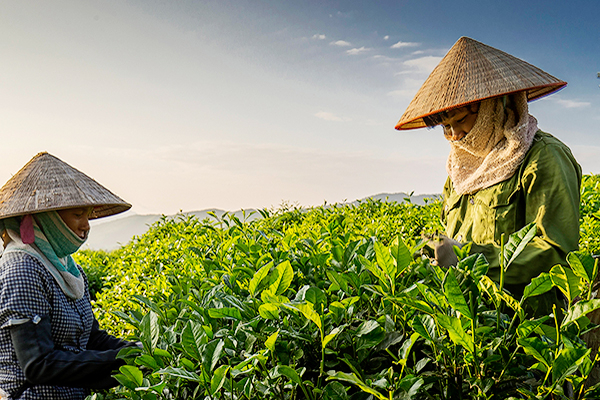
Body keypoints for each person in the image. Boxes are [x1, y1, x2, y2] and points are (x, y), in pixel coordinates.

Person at [395, 37, 582, 315]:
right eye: (446, 127)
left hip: (525, 334)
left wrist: (469, 256)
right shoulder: (460, 169)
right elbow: (454, 236)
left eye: (460, 120)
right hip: (471, 326)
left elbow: (555, 251)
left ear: (494, 105)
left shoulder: (544, 157)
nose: (455, 136)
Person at [0, 152, 135, 399]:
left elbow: (90, 338)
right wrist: (120, 360)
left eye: (87, 215)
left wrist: (136, 351)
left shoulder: (68, 268)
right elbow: (39, 363)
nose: (86, 225)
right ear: (48, 217)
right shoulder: (22, 267)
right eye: (77, 214)